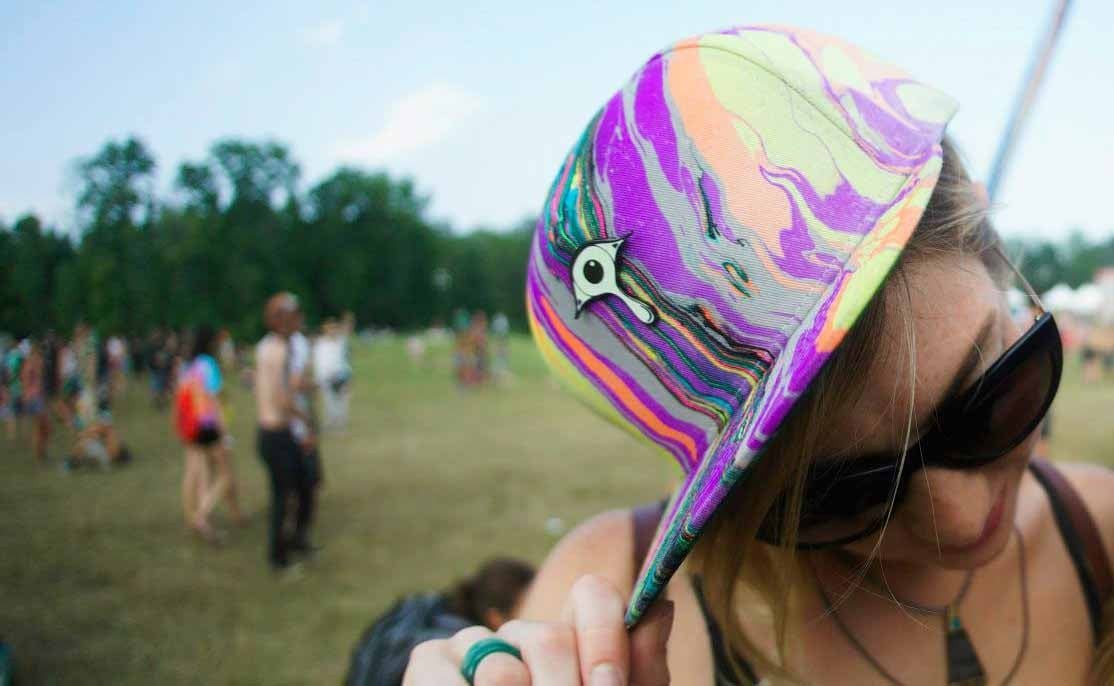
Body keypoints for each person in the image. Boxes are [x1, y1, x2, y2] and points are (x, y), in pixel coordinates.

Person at [404, 26, 1114, 686]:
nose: (960, 518)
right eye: (842, 497)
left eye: (991, 401)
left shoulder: (1101, 532)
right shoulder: (605, 610)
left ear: (996, 255)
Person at [255, 293, 315, 571]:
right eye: (291, 318)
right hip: (277, 433)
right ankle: (277, 558)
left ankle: (294, 542)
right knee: (283, 497)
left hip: (277, 433)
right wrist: (306, 419)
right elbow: (282, 399)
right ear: (280, 321)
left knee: (302, 485)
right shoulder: (279, 350)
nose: (296, 323)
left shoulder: (266, 347)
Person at [177, 325, 243, 542]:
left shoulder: (190, 365)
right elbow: (215, 399)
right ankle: (201, 515)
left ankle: (193, 517)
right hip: (208, 424)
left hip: (191, 425)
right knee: (225, 475)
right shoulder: (208, 364)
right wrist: (224, 431)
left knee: (196, 472)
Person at [315, 319, 352, 430]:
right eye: (330, 328)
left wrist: (349, 377)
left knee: (342, 401)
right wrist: (319, 378)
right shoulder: (321, 344)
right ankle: (331, 422)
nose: (332, 331)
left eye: (334, 328)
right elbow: (319, 362)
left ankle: (341, 423)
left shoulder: (341, 342)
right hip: (326, 377)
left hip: (341, 375)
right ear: (325, 330)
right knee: (329, 401)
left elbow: (345, 361)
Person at [19, 339, 48, 463]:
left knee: (43, 427)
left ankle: (40, 452)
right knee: (40, 427)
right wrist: (26, 396)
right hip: (34, 398)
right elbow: (25, 380)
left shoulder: (37, 362)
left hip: (37, 397)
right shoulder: (29, 364)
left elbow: (40, 380)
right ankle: (39, 454)